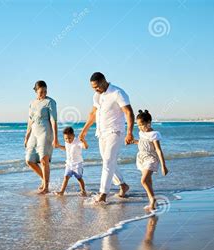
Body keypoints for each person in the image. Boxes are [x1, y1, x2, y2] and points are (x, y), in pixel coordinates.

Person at [79, 72, 134, 203]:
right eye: (93, 87)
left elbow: (128, 112)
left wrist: (130, 133)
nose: (95, 89)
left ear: (103, 81)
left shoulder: (117, 93)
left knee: (108, 160)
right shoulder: (97, 96)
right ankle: (123, 185)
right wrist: (84, 131)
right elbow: (93, 114)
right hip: (101, 133)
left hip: (115, 132)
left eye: (97, 86)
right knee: (108, 161)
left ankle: (103, 194)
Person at [24, 80, 59, 194]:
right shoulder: (32, 103)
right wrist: (27, 136)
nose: (43, 94)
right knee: (29, 160)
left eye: (45, 91)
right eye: (41, 92)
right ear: (36, 91)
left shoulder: (50, 102)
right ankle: (44, 179)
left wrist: (56, 138)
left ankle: (46, 187)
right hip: (34, 133)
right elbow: (30, 121)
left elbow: (53, 121)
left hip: (45, 132)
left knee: (44, 160)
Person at [134, 110, 168, 210]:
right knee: (148, 180)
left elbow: (158, 149)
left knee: (143, 180)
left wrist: (163, 166)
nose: (140, 127)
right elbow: (143, 143)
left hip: (151, 159)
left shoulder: (154, 134)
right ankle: (152, 202)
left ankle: (153, 200)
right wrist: (133, 142)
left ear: (149, 122)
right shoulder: (141, 133)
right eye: (138, 125)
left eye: (142, 124)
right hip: (142, 158)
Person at [54, 126, 88, 196]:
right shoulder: (67, 142)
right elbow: (66, 148)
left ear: (73, 136)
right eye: (66, 138)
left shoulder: (77, 141)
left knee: (79, 178)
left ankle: (83, 191)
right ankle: (62, 192)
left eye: (69, 138)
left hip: (77, 164)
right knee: (66, 177)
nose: (68, 140)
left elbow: (85, 147)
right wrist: (59, 146)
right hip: (69, 164)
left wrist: (83, 141)